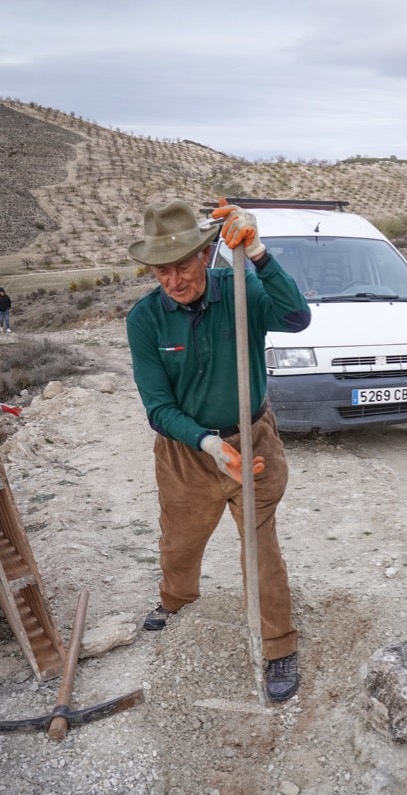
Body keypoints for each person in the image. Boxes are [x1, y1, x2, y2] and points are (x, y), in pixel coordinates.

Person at [126, 199, 311, 703]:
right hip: (188, 452)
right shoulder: (145, 320)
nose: (173, 279)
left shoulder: (241, 289)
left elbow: (297, 318)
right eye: (162, 270)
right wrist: (207, 444)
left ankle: (277, 646)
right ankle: (177, 602)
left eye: (183, 265)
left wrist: (259, 255)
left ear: (205, 256)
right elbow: (158, 408)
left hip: (252, 441)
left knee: (260, 544)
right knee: (180, 539)